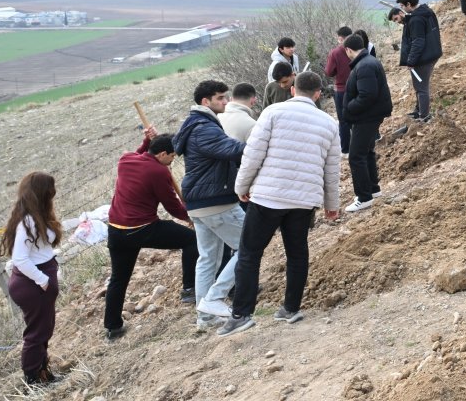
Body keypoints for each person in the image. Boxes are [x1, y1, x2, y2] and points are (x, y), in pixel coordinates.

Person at [219, 72, 341, 337]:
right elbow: (332, 168)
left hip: (268, 196)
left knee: (250, 253)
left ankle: (241, 314)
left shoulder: (273, 112)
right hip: (304, 200)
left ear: (293, 90)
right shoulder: (329, 123)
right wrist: (332, 204)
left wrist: (242, 186)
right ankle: (290, 309)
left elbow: (253, 153)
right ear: (318, 94)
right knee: (297, 253)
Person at [105, 128, 197, 337]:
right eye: (172, 156)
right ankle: (189, 289)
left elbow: (140, 155)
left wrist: (146, 140)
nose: (173, 161)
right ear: (163, 154)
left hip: (116, 231)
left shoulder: (125, 160)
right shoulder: (159, 172)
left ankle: (112, 327)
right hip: (143, 229)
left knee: (118, 278)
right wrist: (189, 217)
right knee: (192, 241)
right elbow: (172, 206)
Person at [176, 80, 246, 329]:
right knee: (249, 246)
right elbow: (231, 149)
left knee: (208, 258)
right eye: (220, 98)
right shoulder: (203, 128)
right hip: (216, 201)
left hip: (200, 203)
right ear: (206, 102)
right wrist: (262, 142)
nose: (226, 101)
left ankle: (204, 316)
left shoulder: (197, 124)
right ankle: (214, 299)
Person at [1, 173, 63, 385]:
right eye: (50, 191)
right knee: (37, 334)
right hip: (34, 284)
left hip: (37, 281)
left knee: (42, 329)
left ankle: (43, 373)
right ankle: (33, 380)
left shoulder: (34, 216)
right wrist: (43, 280)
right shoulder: (28, 221)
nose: (53, 194)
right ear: (42, 193)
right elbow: (20, 258)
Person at [341, 33, 392, 210]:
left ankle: (364, 197)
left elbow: (367, 95)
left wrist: (348, 108)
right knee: (367, 152)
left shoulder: (364, 66)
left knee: (356, 156)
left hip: (367, 117)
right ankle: (373, 189)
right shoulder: (368, 61)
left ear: (348, 50)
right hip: (371, 114)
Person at [397, 0, 443, 122]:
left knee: (421, 87)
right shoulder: (427, 11)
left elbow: (418, 42)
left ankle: (424, 116)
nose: (402, 9)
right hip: (433, 53)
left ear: (409, 4)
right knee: (420, 85)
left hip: (424, 58)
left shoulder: (416, 19)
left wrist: (410, 61)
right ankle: (419, 111)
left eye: (402, 6)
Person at [323, 25, 353, 155]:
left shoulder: (335, 52)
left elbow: (329, 72)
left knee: (343, 120)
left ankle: (345, 149)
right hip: (357, 87)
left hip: (341, 89)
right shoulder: (358, 49)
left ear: (340, 38)